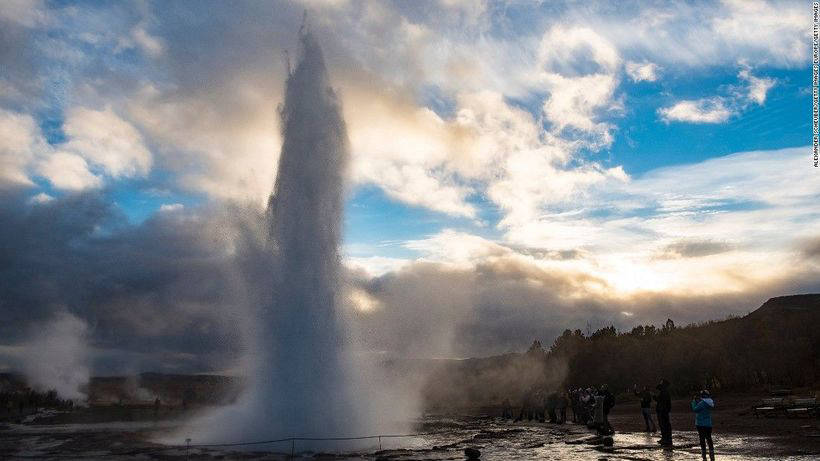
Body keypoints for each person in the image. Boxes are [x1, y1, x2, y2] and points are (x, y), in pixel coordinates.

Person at [691, 390, 715, 461]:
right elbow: (702, 407)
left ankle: (704, 454)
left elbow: (695, 409)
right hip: (708, 424)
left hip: (700, 424)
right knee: (709, 438)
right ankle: (711, 452)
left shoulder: (702, 403)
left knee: (702, 439)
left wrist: (693, 402)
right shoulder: (710, 402)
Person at [655, 379, 673, 446]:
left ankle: (666, 439)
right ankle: (665, 438)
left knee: (664, 425)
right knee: (664, 425)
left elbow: (660, 400)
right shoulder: (664, 391)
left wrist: (654, 397)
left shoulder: (664, 392)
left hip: (662, 411)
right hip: (663, 411)